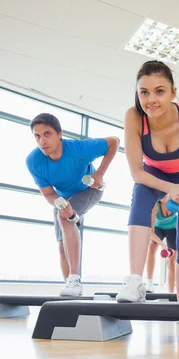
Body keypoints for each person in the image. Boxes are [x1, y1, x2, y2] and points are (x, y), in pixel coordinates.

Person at [116, 60, 179, 303]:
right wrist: (170, 189)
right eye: (144, 93)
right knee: (140, 199)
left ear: (173, 92)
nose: (151, 100)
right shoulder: (134, 117)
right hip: (154, 174)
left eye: (159, 91)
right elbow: (137, 173)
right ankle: (135, 281)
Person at [26, 113, 119, 296]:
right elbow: (48, 193)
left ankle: (75, 278)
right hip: (62, 197)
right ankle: (70, 288)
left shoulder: (78, 149)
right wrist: (61, 205)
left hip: (89, 190)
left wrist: (99, 174)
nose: (42, 141)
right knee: (62, 245)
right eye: (37, 136)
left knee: (65, 219)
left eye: (47, 134)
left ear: (59, 134)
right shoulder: (33, 161)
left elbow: (113, 142)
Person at [146, 196, 177, 293]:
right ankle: (150, 284)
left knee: (171, 262)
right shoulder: (156, 206)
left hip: (173, 229)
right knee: (152, 246)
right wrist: (162, 244)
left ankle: (171, 293)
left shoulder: (175, 200)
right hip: (158, 228)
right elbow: (150, 232)